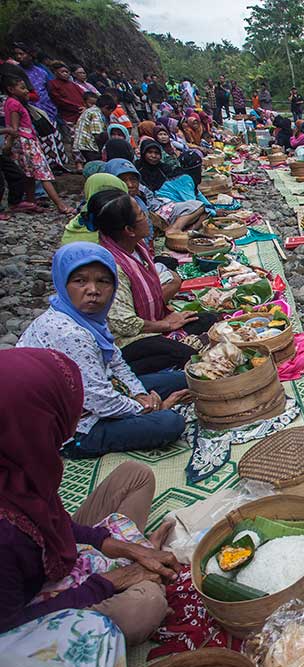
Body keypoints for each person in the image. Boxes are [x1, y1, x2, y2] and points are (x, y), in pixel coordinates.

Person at [0, 347, 179, 646]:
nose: (76, 417)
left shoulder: (19, 459)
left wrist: (124, 548)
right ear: (35, 419)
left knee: (135, 474)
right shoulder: (4, 533)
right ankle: (142, 574)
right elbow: (9, 630)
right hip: (21, 623)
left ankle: (139, 550)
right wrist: (115, 580)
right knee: (145, 607)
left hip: (46, 558)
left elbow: (50, 523)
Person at [18, 243, 188, 457]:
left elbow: (116, 361)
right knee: (170, 423)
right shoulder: (69, 332)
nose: (93, 291)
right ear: (62, 283)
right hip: (73, 426)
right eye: (80, 281)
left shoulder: (88, 317)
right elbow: (99, 401)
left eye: (103, 281)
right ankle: (79, 447)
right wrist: (147, 408)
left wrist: (140, 393)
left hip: (100, 392)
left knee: (182, 379)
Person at [90, 189, 213, 373]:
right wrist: (166, 324)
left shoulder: (136, 247)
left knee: (210, 319)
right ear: (129, 230)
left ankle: (172, 340)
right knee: (188, 356)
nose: (147, 216)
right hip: (127, 341)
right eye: (141, 214)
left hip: (151, 323)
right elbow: (125, 324)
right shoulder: (111, 267)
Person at [1, 75, 72, 213]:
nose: (26, 91)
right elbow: (14, 129)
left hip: (23, 142)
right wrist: (8, 144)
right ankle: (60, 205)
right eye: (22, 88)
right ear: (11, 89)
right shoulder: (14, 104)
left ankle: (31, 202)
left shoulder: (10, 103)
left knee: (30, 174)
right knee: (43, 172)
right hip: (25, 142)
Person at [10, 43, 67, 172]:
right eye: (17, 54)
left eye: (22, 54)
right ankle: (43, 167)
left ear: (30, 55)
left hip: (47, 109)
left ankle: (58, 165)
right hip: (27, 110)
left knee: (52, 137)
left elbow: (49, 89)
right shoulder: (15, 72)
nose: (19, 57)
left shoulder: (41, 71)